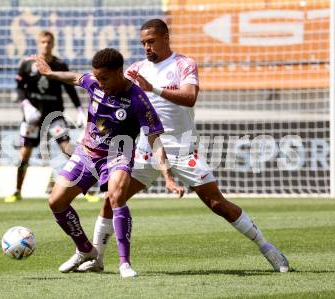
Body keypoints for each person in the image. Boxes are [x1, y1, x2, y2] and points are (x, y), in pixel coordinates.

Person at [77, 19, 290, 273]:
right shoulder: (135, 68)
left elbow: (190, 98)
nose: (147, 47)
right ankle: (97, 259)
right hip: (146, 149)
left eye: (152, 41)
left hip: (182, 149)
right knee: (112, 198)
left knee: (217, 204)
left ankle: (269, 249)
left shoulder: (184, 64)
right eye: (144, 43)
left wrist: (153, 88)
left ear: (166, 37)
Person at [34, 48, 184, 278]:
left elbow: (154, 140)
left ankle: (125, 263)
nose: (99, 82)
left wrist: (168, 177)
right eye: (97, 77)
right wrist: (50, 73)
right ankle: (85, 250)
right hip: (86, 153)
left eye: (104, 78)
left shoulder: (137, 99)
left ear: (118, 72)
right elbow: (74, 77)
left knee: (116, 197)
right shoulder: (95, 83)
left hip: (117, 156)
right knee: (56, 202)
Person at [4, 30, 99, 203]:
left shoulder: (59, 65)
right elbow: (18, 87)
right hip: (33, 116)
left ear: (53, 44)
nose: (46, 45)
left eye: (49, 42)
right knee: (24, 154)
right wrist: (25, 106)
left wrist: (79, 109)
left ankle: (88, 190)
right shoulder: (27, 64)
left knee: (68, 149)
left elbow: (69, 87)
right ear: (38, 43)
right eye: (43, 42)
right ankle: (17, 191)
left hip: (54, 114)